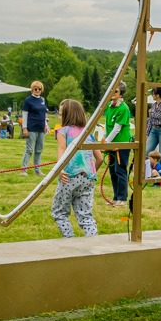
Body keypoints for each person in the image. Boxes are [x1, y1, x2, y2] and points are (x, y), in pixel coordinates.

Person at [51, 99, 102, 238]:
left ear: (68, 115)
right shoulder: (87, 134)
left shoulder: (63, 131)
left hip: (69, 177)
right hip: (88, 179)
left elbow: (61, 150)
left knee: (59, 212)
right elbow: (100, 158)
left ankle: (69, 240)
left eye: (61, 114)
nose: (59, 117)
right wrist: (90, 173)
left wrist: (60, 169)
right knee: (85, 215)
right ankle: (93, 241)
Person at [104, 83, 133, 205]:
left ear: (121, 94)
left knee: (120, 170)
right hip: (111, 143)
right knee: (112, 170)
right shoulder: (109, 107)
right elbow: (107, 126)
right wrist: (105, 139)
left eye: (115, 91)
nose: (112, 93)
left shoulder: (123, 108)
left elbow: (117, 129)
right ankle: (115, 197)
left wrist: (106, 142)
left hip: (121, 144)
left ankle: (122, 198)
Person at [20, 81, 49, 176]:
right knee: (29, 149)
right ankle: (23, 169)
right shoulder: (28, 100)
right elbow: (25, 114)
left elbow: (44, 114)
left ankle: (37, 170)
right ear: (32, 90)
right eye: (35, 89)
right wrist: (24, 128)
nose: (37, 91)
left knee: (39, 150)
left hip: (41, 128)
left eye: (39, 89)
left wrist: (45, 125)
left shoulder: (42, 100)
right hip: (31, 128)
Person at [146, 87, 161, 164]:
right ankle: (149, 171)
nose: (152, 95)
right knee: (146, 152)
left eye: (153, 94)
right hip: (153, 130)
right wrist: (147, 133)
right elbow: (151, 120)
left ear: (157, 95)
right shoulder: (153, 105)